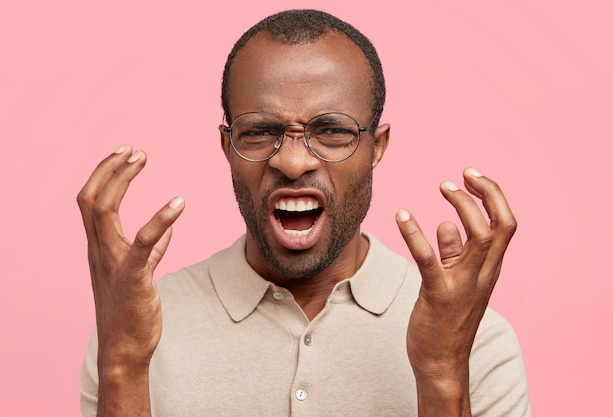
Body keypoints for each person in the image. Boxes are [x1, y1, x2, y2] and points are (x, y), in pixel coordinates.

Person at [78, 9, 530, 417]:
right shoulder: (133, 327)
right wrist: (122, 361)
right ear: (227, 147)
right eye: (259, 132)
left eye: (332, 130)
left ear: (378, 147)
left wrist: (442, 372)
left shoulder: (474, 340)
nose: (292, 163)